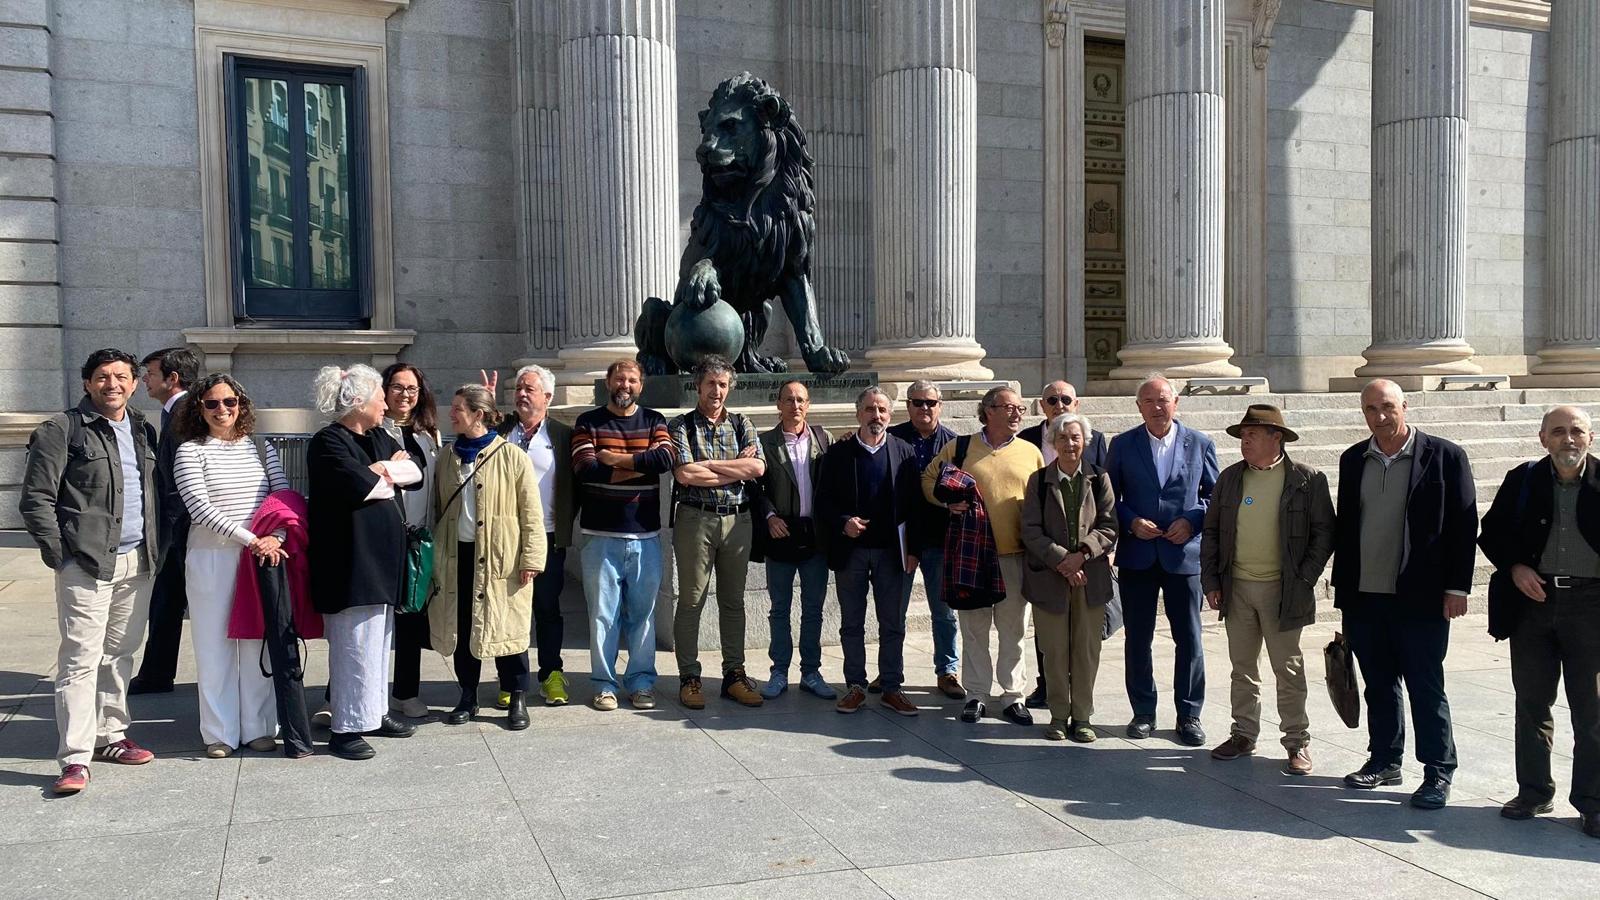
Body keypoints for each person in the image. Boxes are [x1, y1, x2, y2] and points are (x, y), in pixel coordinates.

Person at [21, 348, 162, 793]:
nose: (113, 384)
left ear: (134, 383)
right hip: (86, 563)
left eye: (122, 376)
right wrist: (60, 554)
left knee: (119, 655)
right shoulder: (61, 430)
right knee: (80, 661)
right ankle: (76, 758)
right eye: (103, 377)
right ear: (87, 383)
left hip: (138, 559)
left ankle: (111, 736)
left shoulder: (142, 427)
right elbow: (36, 499)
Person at [1332, 379, 1474, 809]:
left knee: (1425, 686)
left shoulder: (1445, 456)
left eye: (1387, 407)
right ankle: (1384, 759)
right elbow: (1346, 527)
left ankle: (1437, 771)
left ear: (1405, 406)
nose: (1379, 416)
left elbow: (1464, 527)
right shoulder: (1353, 459)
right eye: (1371, 409)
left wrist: (1457, 587)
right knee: (1378, 684)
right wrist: (1343, 592)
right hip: (1365, 595)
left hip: (1423, 596)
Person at [1477, 405, 1600, 837]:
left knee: (1593, 710)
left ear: (1590, 437)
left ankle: (1593, 802)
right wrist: (1515, 567)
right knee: (1532, 703)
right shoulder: (1523, 480)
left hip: (1592, 607)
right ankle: (1533, 791)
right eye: (1559, 431)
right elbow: (1490, 531)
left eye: (1577, 432)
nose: (1569, 439)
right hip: (1533, 605)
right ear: (1542, 438)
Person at [1200, 404, 1334, 776]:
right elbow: (1211, 532)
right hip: (1237, 587)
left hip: (1284, 590)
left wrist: (1305, 577)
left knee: (1288, 669)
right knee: (1242, 668)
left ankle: (1296, 742)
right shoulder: (1229, 479)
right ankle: (1243, 733)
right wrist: (1212, 581)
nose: (1245, 441)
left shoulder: (1306, 479)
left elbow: (1325, 533)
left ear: (1277, 438)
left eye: (1253, 434)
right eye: (1243, 435)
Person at [171, 373, 290, 757]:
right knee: (214, 645)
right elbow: (199, 508)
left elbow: (282, 496)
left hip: (259, 556)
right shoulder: (191, 451)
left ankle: (258, 727)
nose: (222, 409)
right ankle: (219, 733)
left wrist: (278, 538)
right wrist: (251, 539)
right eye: (212, 403)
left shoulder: (260, 447)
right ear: (199, 409)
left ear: (241, 404)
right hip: (213, 558)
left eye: (230, 402)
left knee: (257, 644)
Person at [306, 364, 421, 760]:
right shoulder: (327, 442)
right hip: (349, 562)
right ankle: (346, 726)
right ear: (357, 402)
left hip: (381, 561)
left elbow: (414, 472)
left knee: (378, 642)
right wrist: (383, 476)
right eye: (378, 398)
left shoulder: (377, 438)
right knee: (354, 644)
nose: (386, 405)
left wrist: (383, 469)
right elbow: (363, 486)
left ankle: (374, 711)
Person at [1104, 375, 1218, 746]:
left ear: (1176, 403)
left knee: (1189, 637)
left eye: (1164, 400)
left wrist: (1192, 520)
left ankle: (1189, 714)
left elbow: (1214, 496)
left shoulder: (1200, 443)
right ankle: (1143, 712)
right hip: (1138, 554)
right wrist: (1131, 521)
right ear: (1139, 407)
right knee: (1138, 637)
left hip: (1183, 555)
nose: (1157, 407)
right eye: (1149, 401)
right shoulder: (1122, 445)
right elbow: (1109, 498)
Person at [922, 386, 1044, 725]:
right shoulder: (960, 447)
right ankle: (976, 694)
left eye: (1020, 407)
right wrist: (946, 502)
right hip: (972, 555)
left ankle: (1013, 696)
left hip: (1014, 556)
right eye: (1010, 407)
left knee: (1014, 629)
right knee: (974, 628)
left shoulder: (1031, 452)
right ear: (989, 410)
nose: (1018, 413)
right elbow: (929, 477)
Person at [430, 384, 546, 731]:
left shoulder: (512, 457)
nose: (451, 414)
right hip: (458, 557)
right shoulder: (446, 458)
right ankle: (468, 696)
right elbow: (438, 509)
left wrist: (531, 559)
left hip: (501, 559)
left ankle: (517, 696)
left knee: (508, 628)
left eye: (458, 409)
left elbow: (531, 512)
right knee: (464, 627)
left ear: (478, 415)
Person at [571, 359, 676, 711]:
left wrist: (614, 459)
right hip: (600, 536)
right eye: (619, 378)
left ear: (641, 385)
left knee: (642, 616)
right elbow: (586, 469)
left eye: (632, 379)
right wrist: (638, 464)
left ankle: (642, 682)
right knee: (603, 615)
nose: (625, 385)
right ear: (607, 382)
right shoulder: (588, 422)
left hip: (645, 536)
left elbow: (664, 460)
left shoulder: (655, 420)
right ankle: (604, 685)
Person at [669, 355, 767, 709]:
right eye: (710, 383)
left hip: (737, 521)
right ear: (698, 386)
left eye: (723, 384)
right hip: (696, 519)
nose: (717, 390)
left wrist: (708, 464)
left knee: (733, 601)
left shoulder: (742, 423)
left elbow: (757, 467)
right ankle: (689, 676)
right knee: (692, 600)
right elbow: (684, 474)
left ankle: (734, 674)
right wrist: (733, 470)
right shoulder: (681, 426)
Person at [817, 387, 922, 716]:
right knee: (852, 623)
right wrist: (843, 522)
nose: (876, 416)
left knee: (893, 622)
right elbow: (823, 502)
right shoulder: (838, 454)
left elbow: (915, 507)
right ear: (858, 413)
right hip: (853, 553)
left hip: (892, 553)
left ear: (890, 415)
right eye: (869, 410)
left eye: (882, 410)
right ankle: (855, 686)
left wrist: (913, 550)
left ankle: (892, 686)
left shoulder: (903, 451)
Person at [1020, 412, 1118, 743]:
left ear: (1085, 442)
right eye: (1063, 438)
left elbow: (1109, 526)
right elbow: (1030, 530)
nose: (1070, 444)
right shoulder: (1039, 480)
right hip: (1050, 578)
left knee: (1086, 650)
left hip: (1089, 579)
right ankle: (1059, 716)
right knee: (1054, 649)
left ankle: (1083, 716)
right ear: (1053, 442)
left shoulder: (1099, 478)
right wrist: (1063, 559)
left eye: (1076, 437)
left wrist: (1082, 554)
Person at [495, 364, 576, 709]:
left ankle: (551, 673)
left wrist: (565, 524)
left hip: (546, 536)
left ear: (547, 396)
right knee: (507, 609)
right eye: (518, 389)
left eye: (530, 389)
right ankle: (510, 679)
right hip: (504, 538)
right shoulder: (502, 431)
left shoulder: (561, 435)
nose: (522, 394)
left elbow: (575, 486)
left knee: (546, 607)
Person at [754, 380, 835, 700]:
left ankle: (811, 672)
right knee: (779, 608)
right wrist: (769, 516)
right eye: (788, 400)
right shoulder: (764, 442)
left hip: (814, 536)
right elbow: (755, 490)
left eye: (801, 400)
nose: (795, 405)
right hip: (782, 533)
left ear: (809, 404)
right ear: (778, 404)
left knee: (813, 608)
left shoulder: (823, 438)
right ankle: (778, 671)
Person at [887, 380, 964, 700]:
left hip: (940, 540)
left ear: (940, 406)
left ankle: (947, 670)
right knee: (894, 611)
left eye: (931, 403)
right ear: (908, 406)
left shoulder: (955, 445)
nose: (924, 408)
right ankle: (890, 671)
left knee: (943, 612)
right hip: (900, 540)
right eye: (917, 402)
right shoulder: (892, 438)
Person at [129, 346, 199, 695]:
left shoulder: (187, 412)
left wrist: (172, 525)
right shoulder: (176, 411)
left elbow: (183, 476)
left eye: (151, 374)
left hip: (183, 524)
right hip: (179, 523)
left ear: (172, 379)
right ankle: (156, 673)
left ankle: (156, 674)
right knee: (166, 599)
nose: (144, 380)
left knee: (169, 599)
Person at [381, 362, 440, 719]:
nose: (405, 395)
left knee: (411, 617)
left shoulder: (427, 435)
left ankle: (406, 692)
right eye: (398, 387)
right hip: (382, 539)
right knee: (370, 621)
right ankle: (337, 695)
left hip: (417, 539)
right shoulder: (372, 430)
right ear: (384, 391)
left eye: (412, 389)